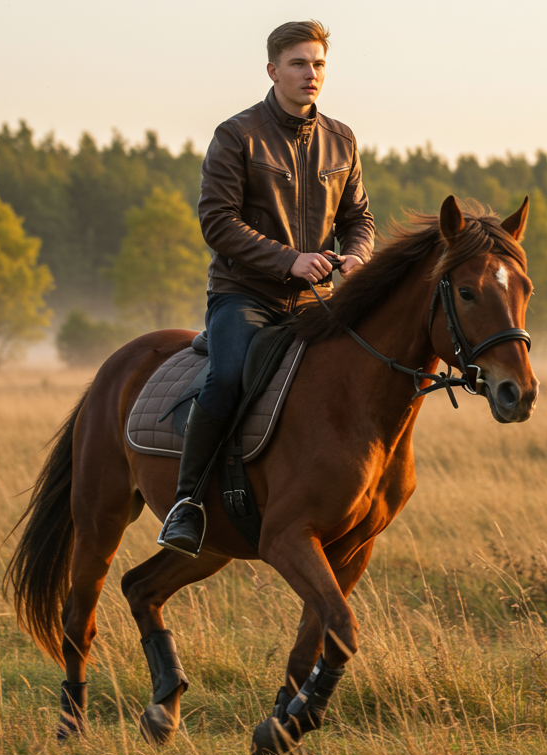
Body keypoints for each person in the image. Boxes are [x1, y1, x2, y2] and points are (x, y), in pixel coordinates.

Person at [157, 19, 376, 557]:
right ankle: (187, 503)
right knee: (227, 378)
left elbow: (359, 218)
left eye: (318, 64)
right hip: (244, 297)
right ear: (273, 70)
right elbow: (218, 222)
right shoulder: (237, 135)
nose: (311, 74)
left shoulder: (342, 140)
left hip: (317, 303)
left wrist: (358, 255)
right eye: (299, 64)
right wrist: (289, 260)